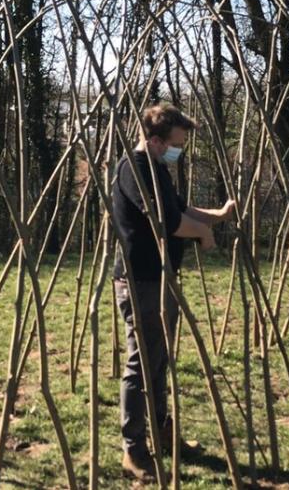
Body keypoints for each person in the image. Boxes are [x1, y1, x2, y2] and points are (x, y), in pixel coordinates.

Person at [111, 103, 236, 481]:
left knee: (158, 359)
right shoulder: (135, 171)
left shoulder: (157, 168)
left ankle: (162, 433)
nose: (178, 151)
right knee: (141, 365)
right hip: (140, 281)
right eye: (176, 144)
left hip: (160, 279)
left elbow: (180, 209)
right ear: (153, 141)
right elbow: (167, 222)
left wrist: (217, 216)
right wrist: (203, 233)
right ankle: (133, 449)